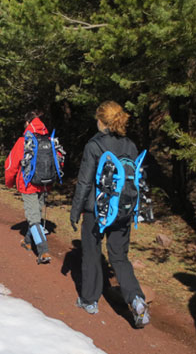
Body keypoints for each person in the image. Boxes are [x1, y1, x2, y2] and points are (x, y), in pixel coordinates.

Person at [69, 100, 150, 328]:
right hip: (123, 210)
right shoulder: (130, 145)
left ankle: (89, 300)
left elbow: (85, 182)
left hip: (97, 210)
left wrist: (75, 211)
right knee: (119, 257)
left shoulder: (94, 145)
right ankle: (136, 300)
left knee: (92, 253)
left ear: (102, 121)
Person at [5, 111, 52, 264]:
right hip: (45, 183)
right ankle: (27, 241)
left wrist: (9, 183)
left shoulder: (23, 141)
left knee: (33, 218)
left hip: (28, 184)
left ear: (27, 123)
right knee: (36, 213)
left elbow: (11, 165)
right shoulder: (49, 139)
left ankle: (43, 251)